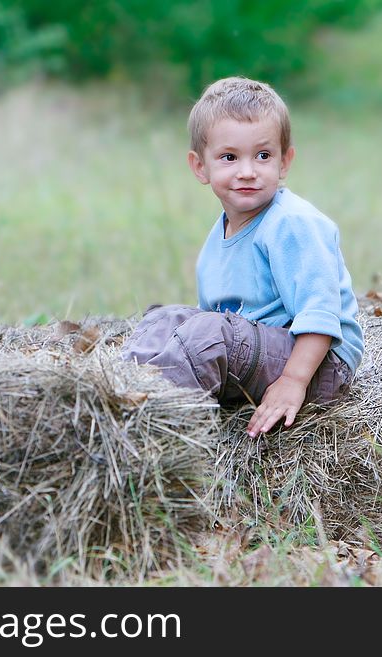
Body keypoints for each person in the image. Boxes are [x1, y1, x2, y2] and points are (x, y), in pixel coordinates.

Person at [122, 76, 363, 438]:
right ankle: (117, 397)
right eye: (229, 157)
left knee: (208, 335)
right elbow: (218, 321)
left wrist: (293, 381)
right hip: (261, 351)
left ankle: (156, 431)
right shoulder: (214, 242)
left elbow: (321, 312)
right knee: (164, 319)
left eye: (263, 156)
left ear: (285, 162)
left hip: (318, 365)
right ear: (200, 167)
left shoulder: (293, 223)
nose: (247, 171)